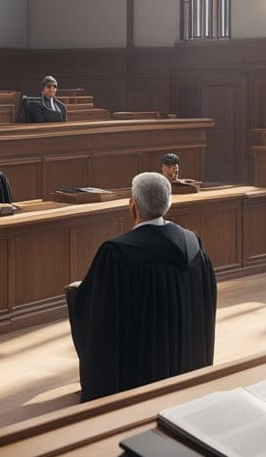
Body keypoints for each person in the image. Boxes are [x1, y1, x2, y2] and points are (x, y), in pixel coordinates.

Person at [69, 171, 217, 402]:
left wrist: (78, 295)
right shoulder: (193, 244)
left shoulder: (116, 252)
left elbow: (99, 315)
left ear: (133, 206)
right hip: (187, 367)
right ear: (168, 204)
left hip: (138, 379)